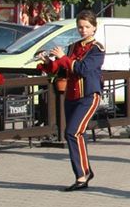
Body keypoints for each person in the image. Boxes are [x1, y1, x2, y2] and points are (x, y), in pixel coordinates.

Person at [40, 10, 104, 192]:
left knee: (72, 133)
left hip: (89, 95)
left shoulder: (97, 48)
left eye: (86, 27)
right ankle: (84, 172)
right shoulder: (73, 46)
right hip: (71, 96)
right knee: (74, 134)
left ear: (94, 28)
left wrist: (63, 58)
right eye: (80, 27)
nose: (83, 30)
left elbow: (83, 69)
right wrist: (47, 62)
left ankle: (82, 175)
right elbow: (62, 71)